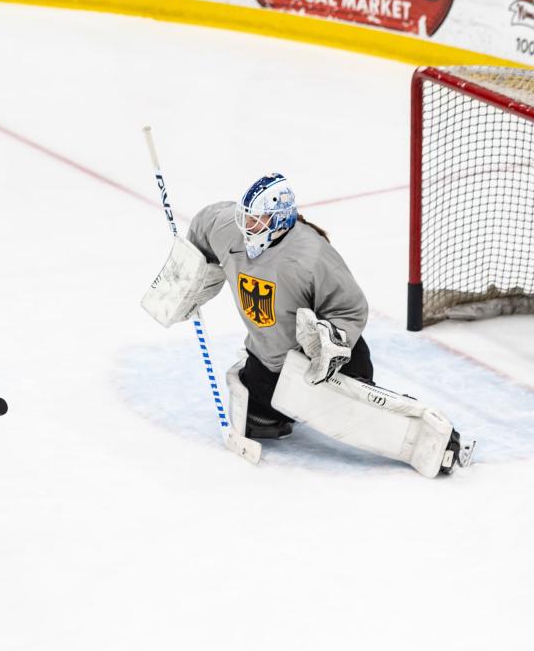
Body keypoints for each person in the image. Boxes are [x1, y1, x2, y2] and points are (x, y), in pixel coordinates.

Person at [141, 173, 474, 477]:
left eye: (259, 221)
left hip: (321, 364)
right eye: (247, 217)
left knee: (353, 406)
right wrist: (193, 269)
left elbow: (351, 308)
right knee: (257, 407)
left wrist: (327, 345)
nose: (249, 227)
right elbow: (202, 226)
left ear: (281, 219)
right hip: (268, 363)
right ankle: (276, 410)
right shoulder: (228, 228)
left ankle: (435, 439)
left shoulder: (312, 255)